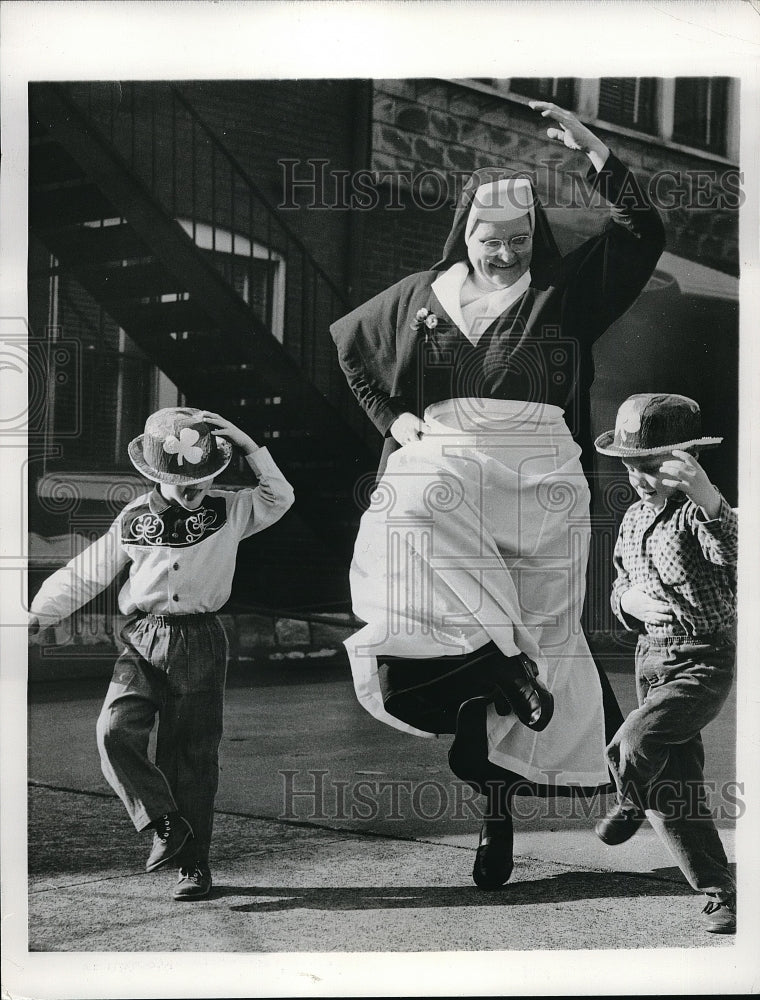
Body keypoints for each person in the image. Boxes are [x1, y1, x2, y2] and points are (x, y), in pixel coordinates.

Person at [331, 101, 665, 889]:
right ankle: (495, 677)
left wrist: (593, 148)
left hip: (541, 475)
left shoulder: (567, 288)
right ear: (464, 235)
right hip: (448, 463)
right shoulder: (420, 295)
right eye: (491, 242)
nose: (507, 255)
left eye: (520, 241)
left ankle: (504, 814)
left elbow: (641, 231)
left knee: (544, 642)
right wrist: (395, 416)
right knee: (404, 515)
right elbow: (351, 348)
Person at [28, 407, 294, 900]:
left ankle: (191, 867)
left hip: (201, 639)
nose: (191, 488)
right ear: (154, 474)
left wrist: (249, 445)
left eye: (203, 477)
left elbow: (280, 497)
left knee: (190, 755)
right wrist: (39, 613)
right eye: (179, 480)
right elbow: (87, 572)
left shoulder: (232, 510)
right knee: (113, 730)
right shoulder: (133, 518)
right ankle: (165, 822)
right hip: (143, 637)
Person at [593, 392, 737, 934]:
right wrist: (627, 602)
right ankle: (720, 892)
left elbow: (736, 555)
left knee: (635, 744)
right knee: (676, 784)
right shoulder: (632, 519)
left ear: (686, 463)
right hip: (651, 656)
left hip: (703, 658)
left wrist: (707, 496)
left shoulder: (701, 515)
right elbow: (620, 582)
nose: (642, 480)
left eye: (654, 468)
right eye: (633, 468)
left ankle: (630, 799)